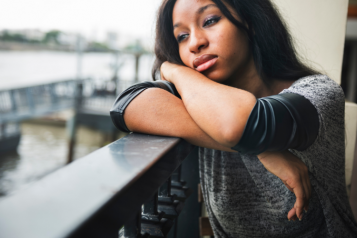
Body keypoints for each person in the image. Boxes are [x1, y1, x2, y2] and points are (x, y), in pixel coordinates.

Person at [110, 0, 357, 237]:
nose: (195, 43)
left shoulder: (318, 94)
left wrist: (173, 71)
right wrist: (172, 68)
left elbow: (239, 125)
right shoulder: (202, 101)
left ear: (249, 20)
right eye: (181, 37)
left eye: (209, 20)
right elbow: (126, 105)